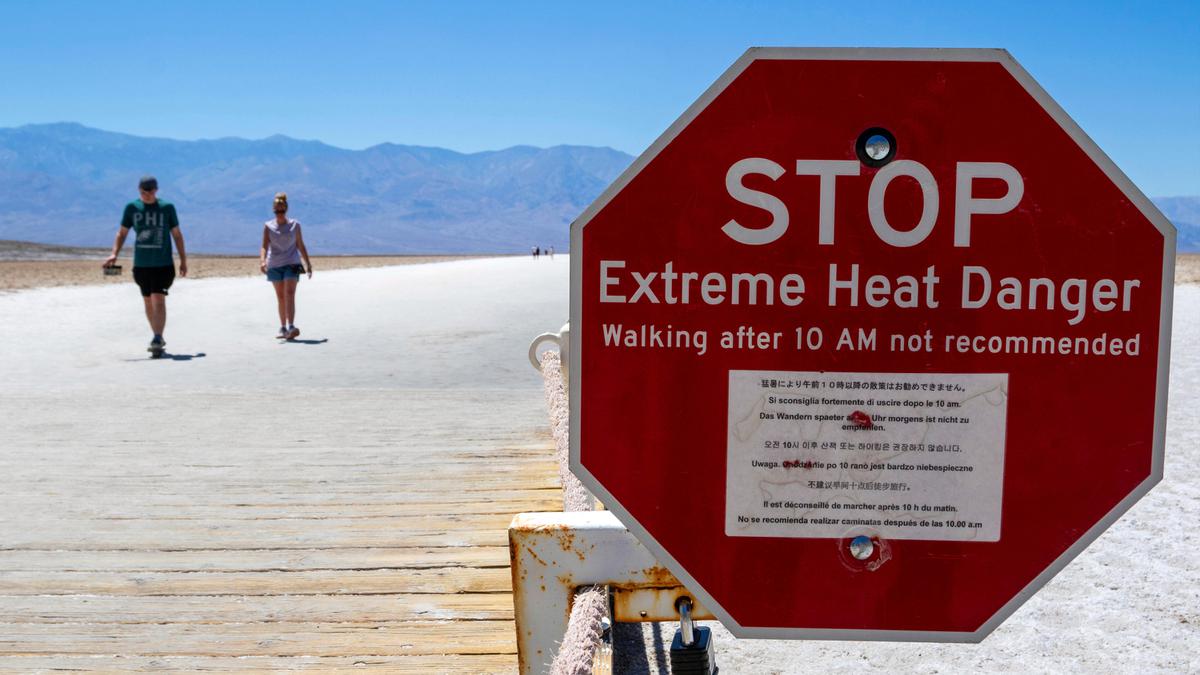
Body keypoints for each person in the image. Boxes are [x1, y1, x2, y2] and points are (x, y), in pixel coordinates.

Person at [103, 175, 187, 354]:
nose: (147, 195)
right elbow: (122, 233)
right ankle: (157, 335)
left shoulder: (167, 208)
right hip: (141, 264)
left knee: (158, 298)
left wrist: (183, 260)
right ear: (139, 190)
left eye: (150, 191)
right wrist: (114, 254)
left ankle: (157, 337)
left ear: (156, 190)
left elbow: (177, 235)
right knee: (148, 300)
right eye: (143, 192)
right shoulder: (132, 208)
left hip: (163, 264)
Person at [260, 192, 312, 339]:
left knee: (289, 293)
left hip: (292, 262)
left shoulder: (295, 225)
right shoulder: (268, 226)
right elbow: (264, 246)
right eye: (277, 211)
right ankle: (283, 328)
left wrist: (308, 263)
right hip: (274, 264)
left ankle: (291, 326)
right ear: (273, 211)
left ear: (286, 209)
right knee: (281, 297)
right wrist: (262, 261)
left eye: (282, 210)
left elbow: (300, 245)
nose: (279, 213)